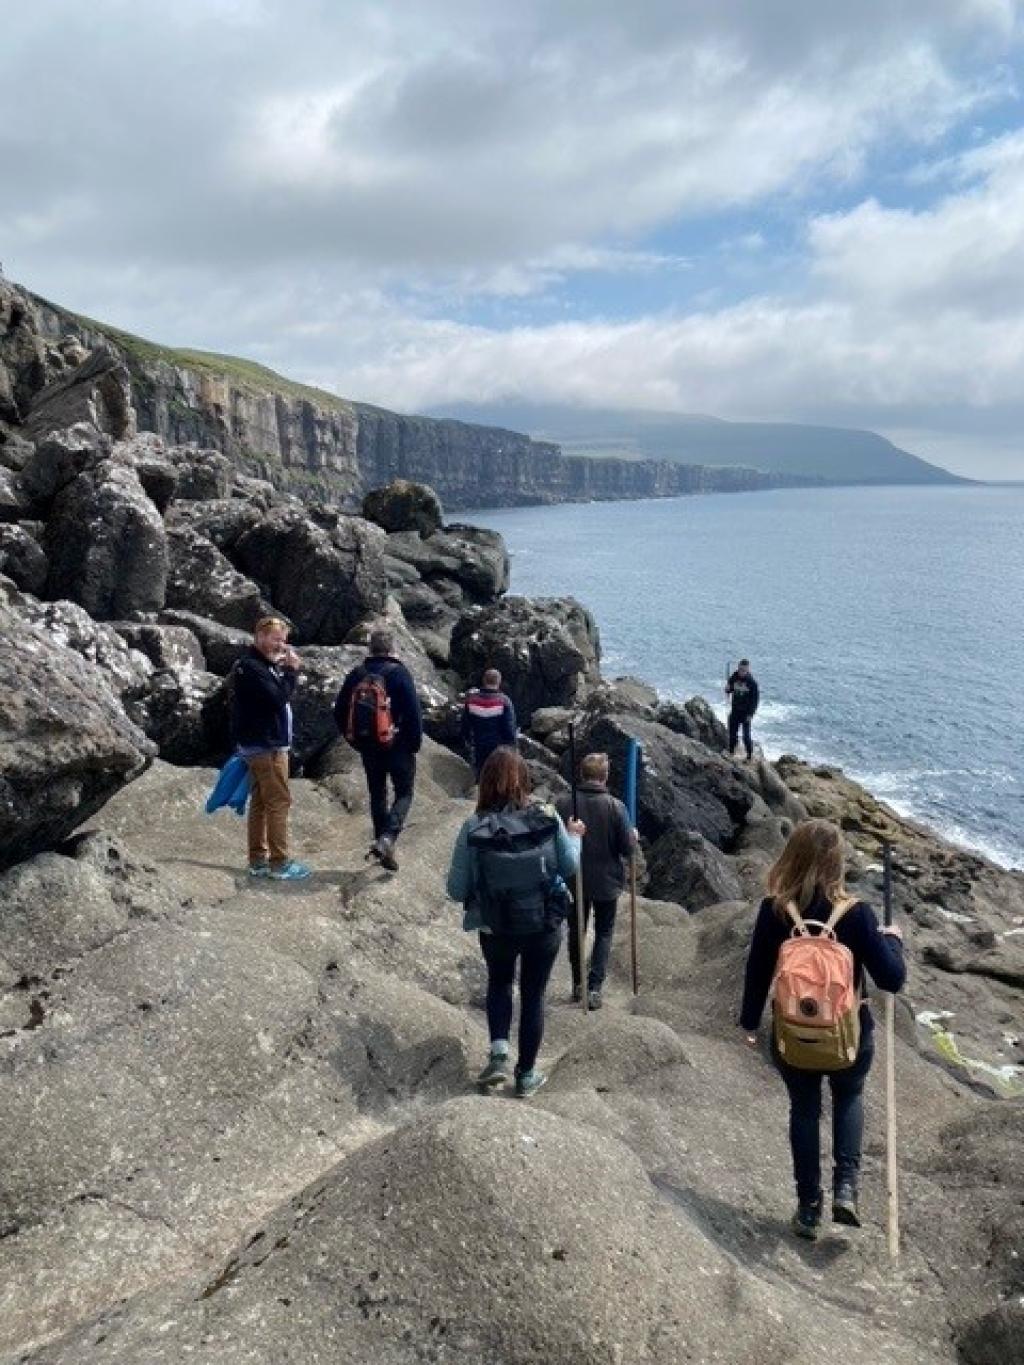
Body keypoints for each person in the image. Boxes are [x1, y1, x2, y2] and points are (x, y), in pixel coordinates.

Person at [739, 819, 905, 1239]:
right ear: (837, 862)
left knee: (805, 1109)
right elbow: (892, 979)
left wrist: (749, 1023)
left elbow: (758, 970)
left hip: (792, 1032)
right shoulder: (858, 915)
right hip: (848, 1033)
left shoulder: (775, 910)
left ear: (790, 856)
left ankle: (809, 1207)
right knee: (848, 1098)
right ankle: (846, 1188)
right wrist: (893, 942)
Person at [446, 747, 585, 1098]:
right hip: (544, 923)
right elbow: (568, 867)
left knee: (500, 982)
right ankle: (525, 1075)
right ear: (524, 780)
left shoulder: (473, 827)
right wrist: (575, 838)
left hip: (496, 924)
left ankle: (498, 1052)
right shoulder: (547, 816)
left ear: (486, 783)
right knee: (535, 994)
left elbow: (455, 888)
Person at [334, 628, 423, 872]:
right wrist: (413, 744)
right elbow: (414, 713)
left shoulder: (357, 674)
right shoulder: (400, 673)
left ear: (369, 649)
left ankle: (382, 843)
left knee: (377, 794)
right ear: (392, 648)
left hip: (368, 746)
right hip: (399, 746)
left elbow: (339, 711)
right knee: (404, 793)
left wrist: (353, 740)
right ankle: (387, 838)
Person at [230, 616, 311, 881]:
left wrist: (280, 668)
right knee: (279, 802)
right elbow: (277, 699)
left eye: (284, 640)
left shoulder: (259, 665)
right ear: (260, 637)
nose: (281, 645)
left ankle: (258, 860)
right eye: (276, 639)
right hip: (267, 747)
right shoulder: (252, 667)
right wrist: (291, 671)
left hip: (259, 745)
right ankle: (280, 863)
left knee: (261, 803)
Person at [555, 751, 637, 1009]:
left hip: (573, 877)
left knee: (576, 929)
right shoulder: (616, 807)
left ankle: (578, 984)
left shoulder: (563, 803)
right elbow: (627, 849)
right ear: (605, 777)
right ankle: (594, 987)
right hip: (606, 881)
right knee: (604, 931)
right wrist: (632, 836)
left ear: (582, 774)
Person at [460, 668, 517, 777]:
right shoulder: (504, 701)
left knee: (480, 775)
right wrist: (513, 748)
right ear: (499, 682)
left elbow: (465, 726)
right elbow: (509, 729)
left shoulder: (471, 700)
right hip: (498, 749)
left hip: (478, 747)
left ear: (484, 680)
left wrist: (467, 743)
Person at [725, 658, 760, 761]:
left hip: (746, 713)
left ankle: (749, 755)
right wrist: (728, 689)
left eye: (744, 670)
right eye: (740, 669)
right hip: (735, 710)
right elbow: (730, 688)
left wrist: (751, 714)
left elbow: (755, 700)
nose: (741, 672)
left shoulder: (752, 683)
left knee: (746, 736)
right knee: (732, 734)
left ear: (748, 670)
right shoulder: (734, 677)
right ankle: (731, 752)